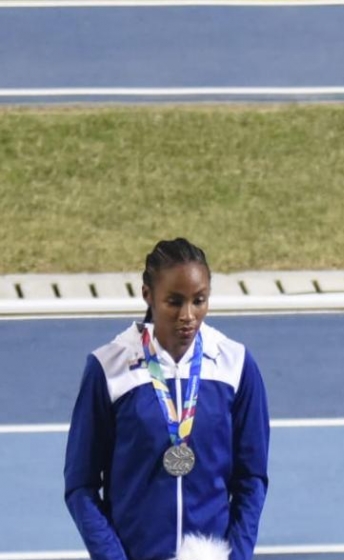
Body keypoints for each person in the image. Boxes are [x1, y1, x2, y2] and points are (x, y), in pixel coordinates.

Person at [64, 238, 270, 560]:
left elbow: (252, 478)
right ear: (148, 295)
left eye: (199, 300)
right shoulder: (109, 368)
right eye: (174, 301)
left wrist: (236, 555)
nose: (188, 315)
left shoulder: (235, 365)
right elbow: (81, 485)